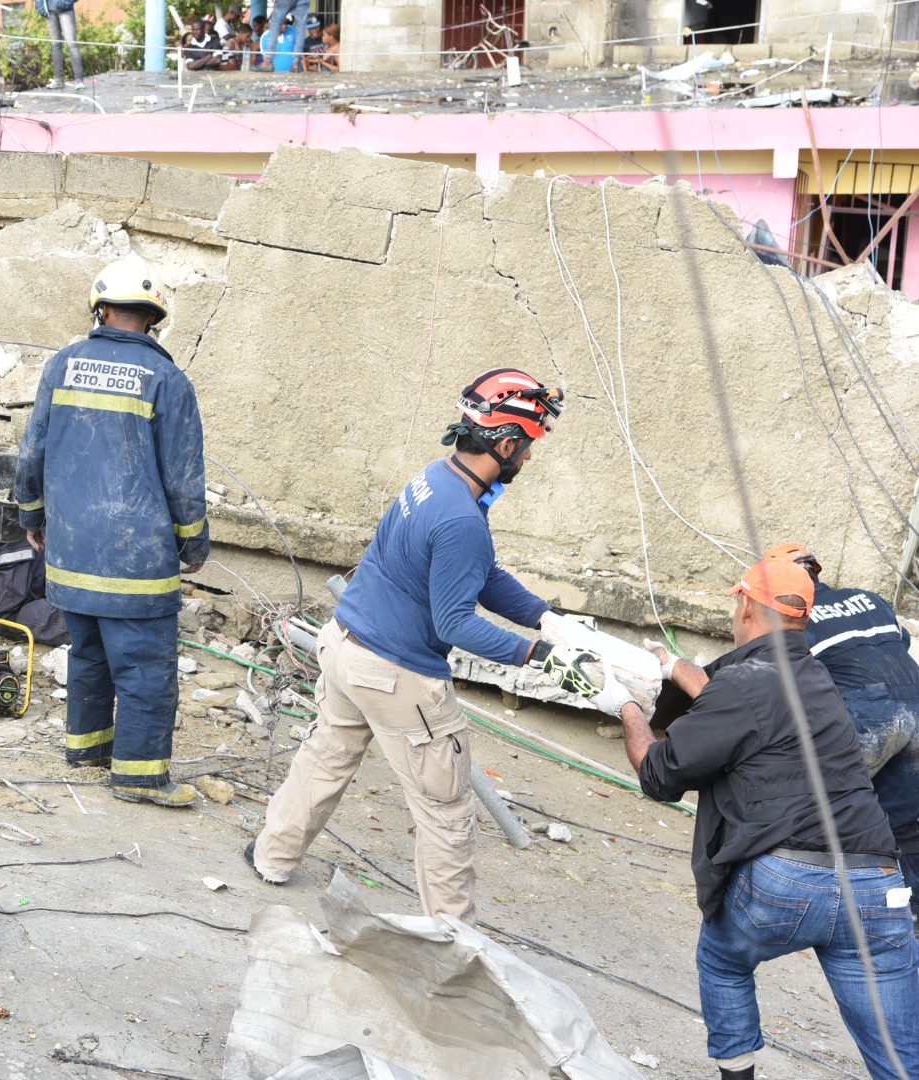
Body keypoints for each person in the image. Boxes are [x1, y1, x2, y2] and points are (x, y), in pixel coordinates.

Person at [247, 369, 577, 926]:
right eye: (527, 448)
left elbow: (481, 574)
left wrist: (546, 617)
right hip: (397, 676)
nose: (528, 459)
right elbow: (455, 623)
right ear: (504, 444)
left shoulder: (436, 480)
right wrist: (534, 657)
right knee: (446, 812)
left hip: (345, 645)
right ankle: (454, 940)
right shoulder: (460, 520)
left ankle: (272, 858)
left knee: (326, 757)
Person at [614, 555, 919, 1080]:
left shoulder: (746, 685)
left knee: (724, 962)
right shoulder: (824, 680)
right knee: (901, 1057)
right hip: (878, 883)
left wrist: (626, 708)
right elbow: (745, 699)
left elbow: (659, 775)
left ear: (747, 607)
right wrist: (672, 664)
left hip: (788, 882)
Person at [14, 256, 209, 807]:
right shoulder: (168, 380)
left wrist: (32, 516)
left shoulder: (62, 365)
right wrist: (192, 540)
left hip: (73, 546)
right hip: (137, 557)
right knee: (145, 667)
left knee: (90, 652)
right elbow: (184, 477)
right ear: (154, 318)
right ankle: (140, 777)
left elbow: (33, 452)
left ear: (100, 309)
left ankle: (88, 750)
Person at [750, 542, 919, 915]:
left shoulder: (797, 617)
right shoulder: (869, 599)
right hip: (917, 704)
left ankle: (800, 901)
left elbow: (771, 679)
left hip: (868, 713)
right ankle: (907, 913)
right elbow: (895, 652)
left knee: (819, 805)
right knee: (903, 819)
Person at [36, 0, 85, 89]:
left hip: (66, 11)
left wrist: (66, 2)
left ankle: (79, 80)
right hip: (49, 12)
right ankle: (59, 80)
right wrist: (40, 5)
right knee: (56, 45)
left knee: (72, 44)